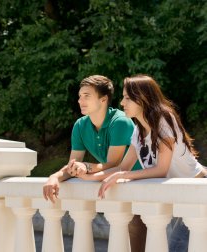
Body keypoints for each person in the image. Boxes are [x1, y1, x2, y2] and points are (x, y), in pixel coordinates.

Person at [79, 74, 207, 251]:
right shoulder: (138, 130)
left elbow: (161, 169)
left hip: (199, 193)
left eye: (127, 98)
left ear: (143, 99)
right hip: (182, 197)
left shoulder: (163, 119)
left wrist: (124, 175)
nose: (122, 103)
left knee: (177, 247)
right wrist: (90, 177)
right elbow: (122, 167)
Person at [42, 75, 144, 251]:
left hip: (141, 179)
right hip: (115, 181)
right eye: (80, 96)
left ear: (103, 99)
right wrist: (55, 177)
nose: (80, 100)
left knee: (135, 229)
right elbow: (73, 165)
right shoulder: (80, 126)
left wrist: (86, 168)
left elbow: (114, 163)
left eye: (87, 95)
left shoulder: (120, 122)